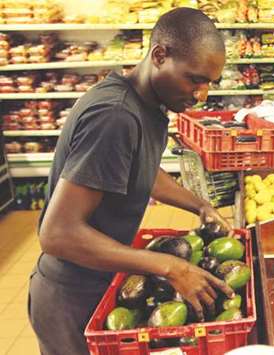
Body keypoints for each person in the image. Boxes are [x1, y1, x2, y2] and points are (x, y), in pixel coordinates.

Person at [28, 8, 234, 355]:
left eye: (210, 84)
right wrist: (169, 266)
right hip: (71, 295)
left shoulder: (147, 106)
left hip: (99, 276)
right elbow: (57, 234)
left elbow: (140, 170)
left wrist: (199, 204)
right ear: (159, 55)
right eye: (194, 79)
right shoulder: (115, 116)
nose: (202, 95)